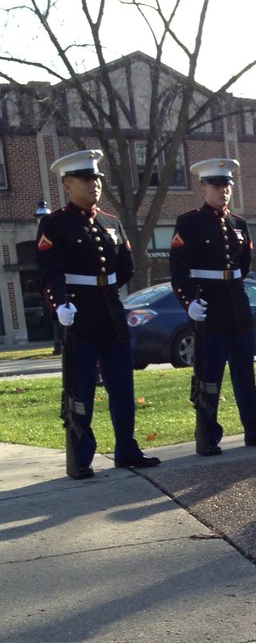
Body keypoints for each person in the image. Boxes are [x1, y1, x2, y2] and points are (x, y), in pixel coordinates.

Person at [36, 149, 160, 479]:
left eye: (97, 179)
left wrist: (103, 287)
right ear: (67, 184)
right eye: (86, 179)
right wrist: (60, 304)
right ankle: (81, 456)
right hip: (79, 316)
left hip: (111, 314)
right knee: (81, 390)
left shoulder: (111, 222)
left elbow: (126, 266)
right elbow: (51, 272)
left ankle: (126, 448)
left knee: (122, 387)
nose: (94, 185)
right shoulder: (54, 223)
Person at [169, 158, 256, 456]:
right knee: (209, 375)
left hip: (237, 305)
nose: (224, 191)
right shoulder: (189, 223)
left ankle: (253, 427)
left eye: (227, 185)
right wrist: (190, 301)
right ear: (203, 187)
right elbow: (179, 270)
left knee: (245, 372)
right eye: (217, 185)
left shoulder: (238, 224)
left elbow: (243, 264)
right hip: (210, 307)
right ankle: (207, 433)